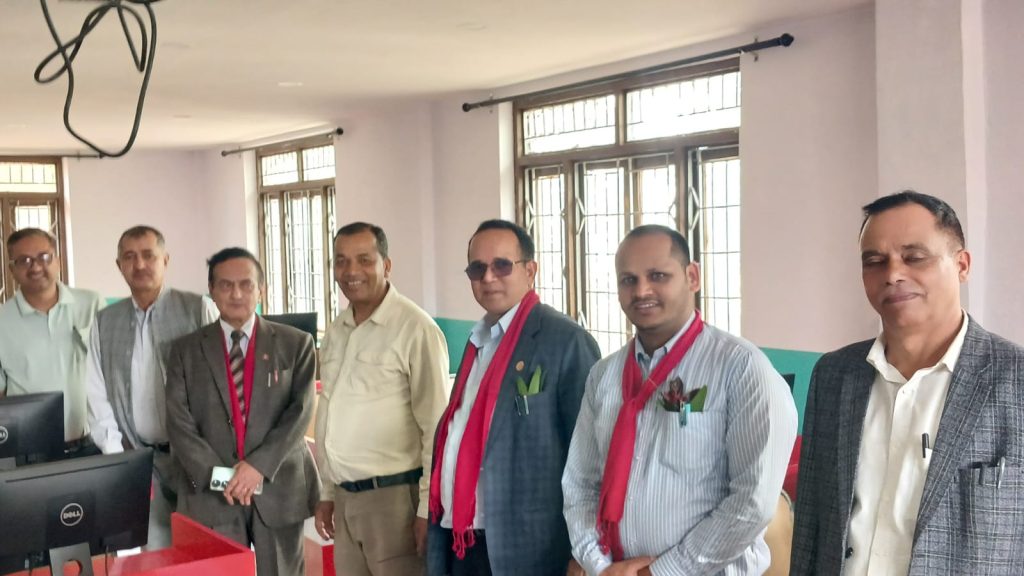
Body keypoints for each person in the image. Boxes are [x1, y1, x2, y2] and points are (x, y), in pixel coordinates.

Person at [791, 190, 1024, 575]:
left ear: (962, 265)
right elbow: (811, 524)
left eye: (915, 257)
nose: (893, 274)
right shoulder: (834, 375)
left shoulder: (1014, 380)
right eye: (874, 261)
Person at [562, 224, 796, 575]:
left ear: (692, 277)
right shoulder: (604, 376)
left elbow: (752, 502)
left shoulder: (742, 369)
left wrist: (661, 572)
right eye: (628, 280)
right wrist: (598, 564)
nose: (642, 291)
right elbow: (580, 485)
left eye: (658, 276)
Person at [426, 219, 602, 576]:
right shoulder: (479, 340)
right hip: (463, 538)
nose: (489, 277)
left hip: (529, 548)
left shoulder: (565, 341)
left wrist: (585, 551)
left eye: (502, 265)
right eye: (478, 269)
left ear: (530, 270)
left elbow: (590, 458)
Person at [165, 247, 318, 576]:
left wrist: (258, 467)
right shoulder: (184, 350)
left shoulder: (296, 344)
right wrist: (223, 478)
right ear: (211, 290)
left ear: (261, 289)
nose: (236, 294)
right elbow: (179, 423)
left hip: (277, 486)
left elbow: (301, 412)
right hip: (213, 493)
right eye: (225, 285)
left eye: (246, 284)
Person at [313, 222, 450, 576]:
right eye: (341, 261)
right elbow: (330, 413)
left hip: (394, 501)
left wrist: (426, 510)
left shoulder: (415, 328)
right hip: (345, 499)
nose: (351, 271)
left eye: (364, 260)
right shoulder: (338, 329)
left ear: (386, 265)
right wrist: (328, 492)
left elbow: (437, 428)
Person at [85, 225, 218, 548]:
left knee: (203, 547)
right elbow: (96, 393)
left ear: (165, 260)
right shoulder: (105, 321)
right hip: (140, 459)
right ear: (119, 265)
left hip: (197, 458)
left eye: (148, 255)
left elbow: (220, 385)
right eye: (129, 257)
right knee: (154, 550)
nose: (140, 264)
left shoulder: (198, 309)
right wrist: (118, 457)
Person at [0, 227, 103, 455]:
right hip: (29, 450)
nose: (36, 267)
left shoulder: (91, 304)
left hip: (93, 442)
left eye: (44, 257)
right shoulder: (2, 320)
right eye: (24, 260)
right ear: (12, 269)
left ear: (57, 260)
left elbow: (112, 373)